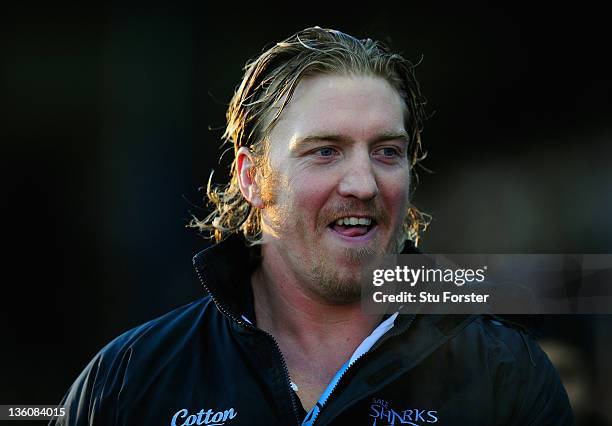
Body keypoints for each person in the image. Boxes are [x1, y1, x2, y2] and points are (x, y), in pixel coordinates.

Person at [52, 27, 573, 425]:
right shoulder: (130, 379)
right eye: (325, 152)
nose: (363, 184)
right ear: (253, 178)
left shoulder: (507, 377)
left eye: (387, 152)